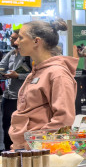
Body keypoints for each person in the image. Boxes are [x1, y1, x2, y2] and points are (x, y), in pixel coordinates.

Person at [7, 21, 77, 149]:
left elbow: (64, 120)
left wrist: (34, 144)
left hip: (41, 152)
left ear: (36, 41)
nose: (16, 42)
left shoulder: (57, 74)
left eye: (21, 38)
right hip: (27, 149)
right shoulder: (36, 72)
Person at [0, 29, 31, 150]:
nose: (12, 40)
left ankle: (20, 150)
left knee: (20, 127)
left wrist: (18, 76)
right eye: (12, 38)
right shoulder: (11, 54)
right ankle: (8, 151)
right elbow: (2, 67)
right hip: (8, 96)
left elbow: (35, 74)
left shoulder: (28, 56)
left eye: (15, 38)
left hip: (22, 98)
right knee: (6, 126)